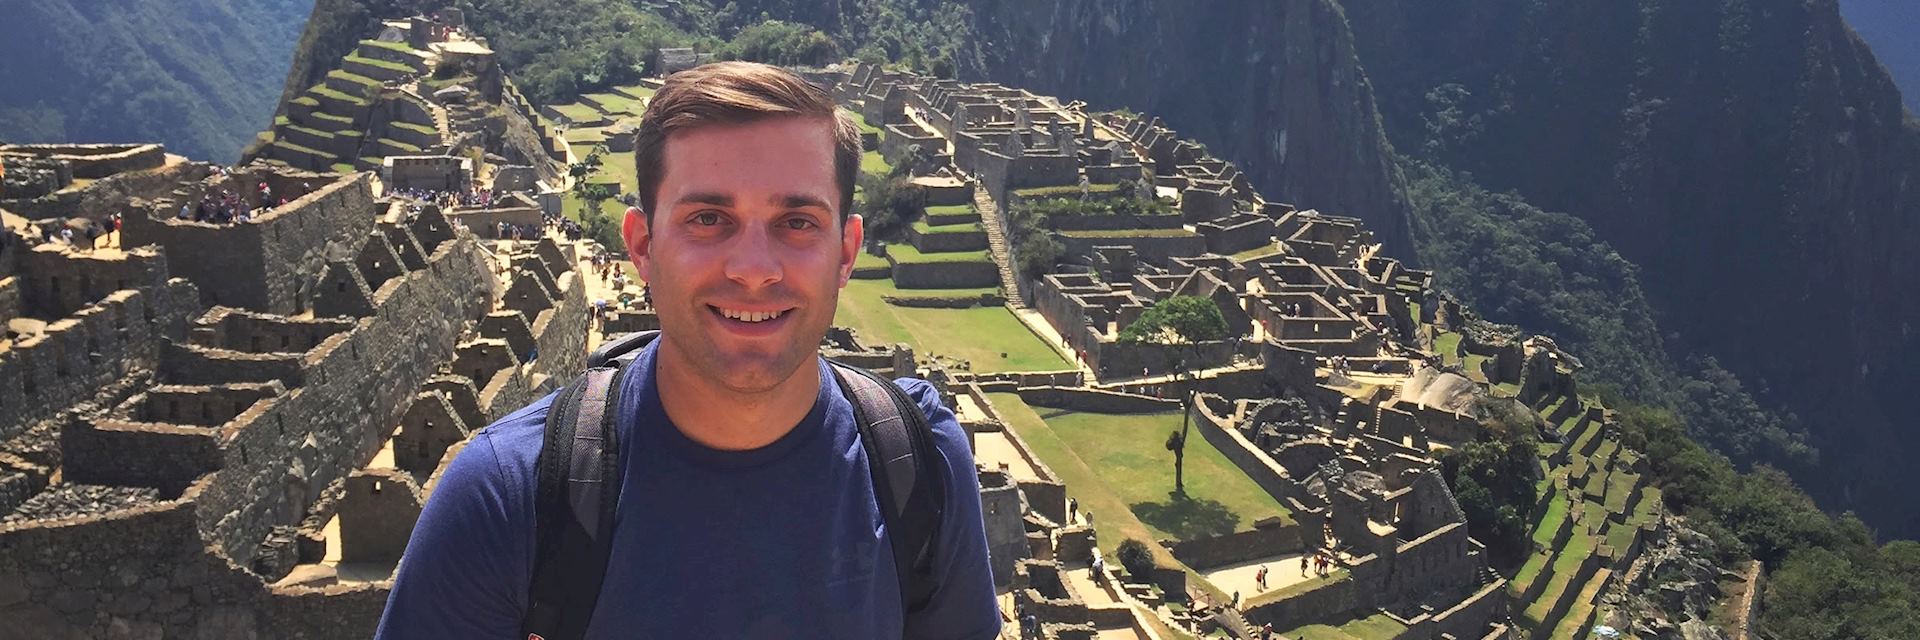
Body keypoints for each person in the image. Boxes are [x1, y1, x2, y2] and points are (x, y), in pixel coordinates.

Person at [377, 62, 1000, 639]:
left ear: (845, 250)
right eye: (709, 219)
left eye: (797, 222)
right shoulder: (504, 499)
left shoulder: (924, 464)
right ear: (643, 246)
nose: (755, 270)